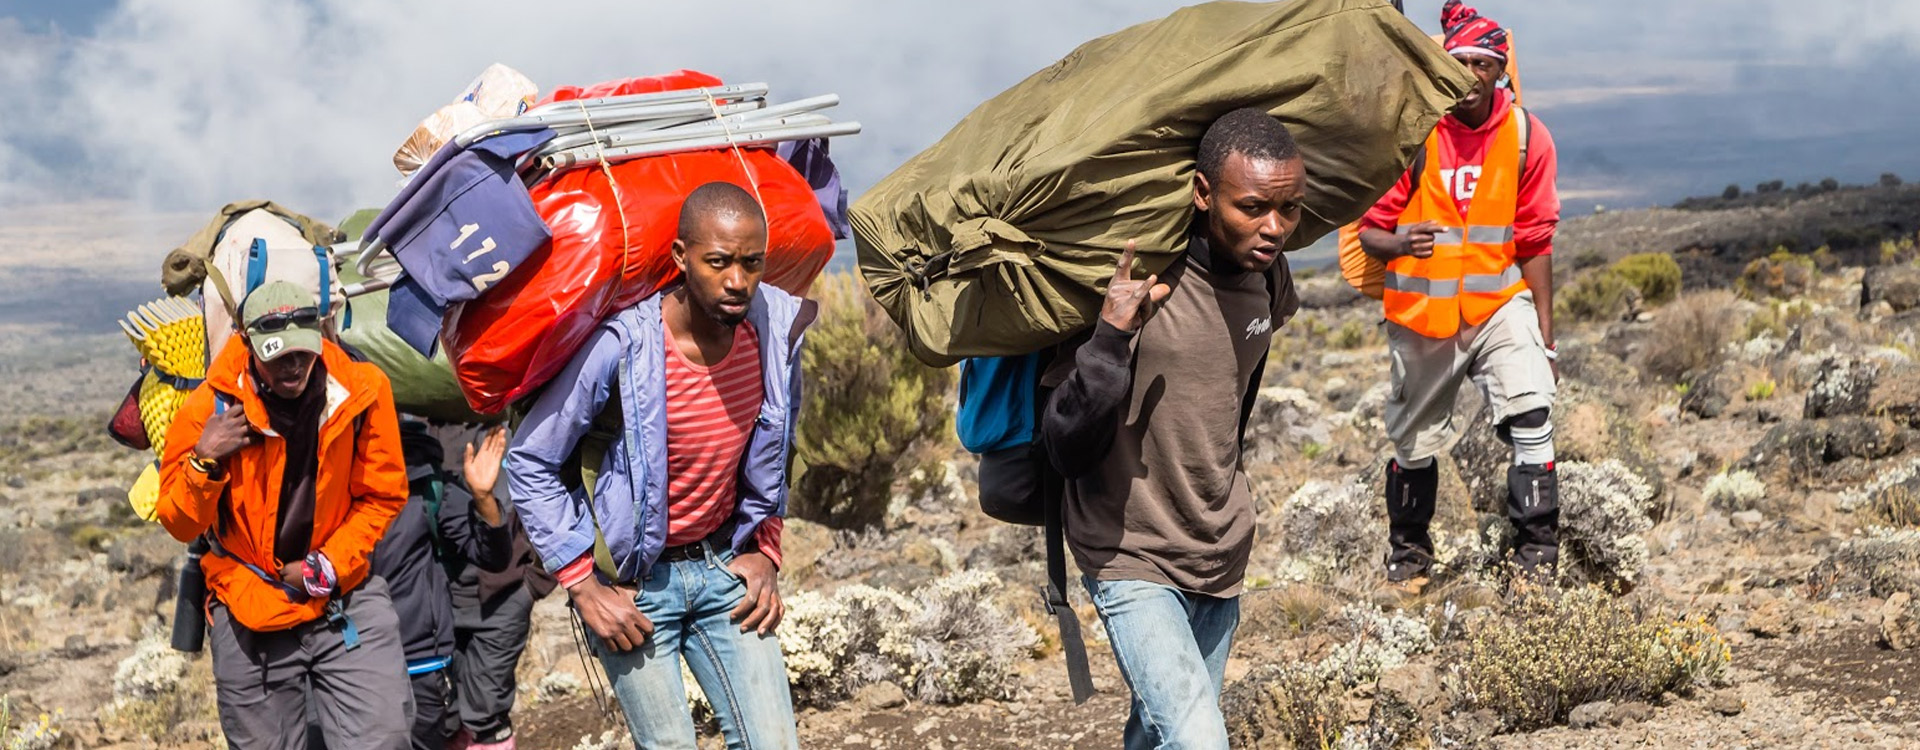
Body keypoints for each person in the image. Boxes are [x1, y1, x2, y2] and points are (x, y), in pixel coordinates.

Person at [507, 181, 814, 749]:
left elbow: (779, 445)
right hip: (633, 590)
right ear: (680, 256)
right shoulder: (624, 346)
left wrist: (766, 547)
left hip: (725, 569)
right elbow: (530, 460)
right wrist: (583, 586)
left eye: (752, 262)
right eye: (718, 262)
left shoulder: (774, 332)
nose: (737, 280)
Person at [1041, 107, 1303, 749]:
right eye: (1252, 207)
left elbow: (1234, 401)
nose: (1274, 228)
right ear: (1203, 192)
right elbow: (1063, 444)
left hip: (1220, 548)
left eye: (1290, 209)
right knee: (1197, 738)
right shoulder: (1136, 282)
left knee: (1158, 736)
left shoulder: (1269, 278)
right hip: (1129, 548)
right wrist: (1110, 338)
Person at [1356, 0, 1561, 593]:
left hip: (1498, 304)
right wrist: (1399, 243)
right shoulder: (1414, 133)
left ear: (1500, 70)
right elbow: (1368, 231)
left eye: (1481, 64)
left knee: (1532, 410)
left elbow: (1536, 239)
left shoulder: (1526, 136)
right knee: (1414, 443)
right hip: (1423, 316)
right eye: (1458, 63)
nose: (1468, 76)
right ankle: (1410, 557)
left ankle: (1537, 559)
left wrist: (1546, 339)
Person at [155, 280, 413, 750]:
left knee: (384, 739)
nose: (293, 366)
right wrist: (204, 461)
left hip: (342, 595)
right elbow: (179, 523)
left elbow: (383, 494)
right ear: (246, 342)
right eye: (277, 356)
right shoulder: (208, 410)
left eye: (302, 352)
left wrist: (328, 565)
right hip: (248, 603)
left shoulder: (361, 390)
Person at [367, 423, 515, 750]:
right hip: (346, 661)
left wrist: (483, 499)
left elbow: (492, 556)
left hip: (419, 662)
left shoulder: (428, 484)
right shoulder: (319, 482)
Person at [439, 425, 558, 750]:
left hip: (504, 599)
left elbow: (555, 496)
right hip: (436, 602)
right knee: (440, 712)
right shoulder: (413, 426)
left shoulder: (510, 427)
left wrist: (534, 583)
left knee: (486, 714)